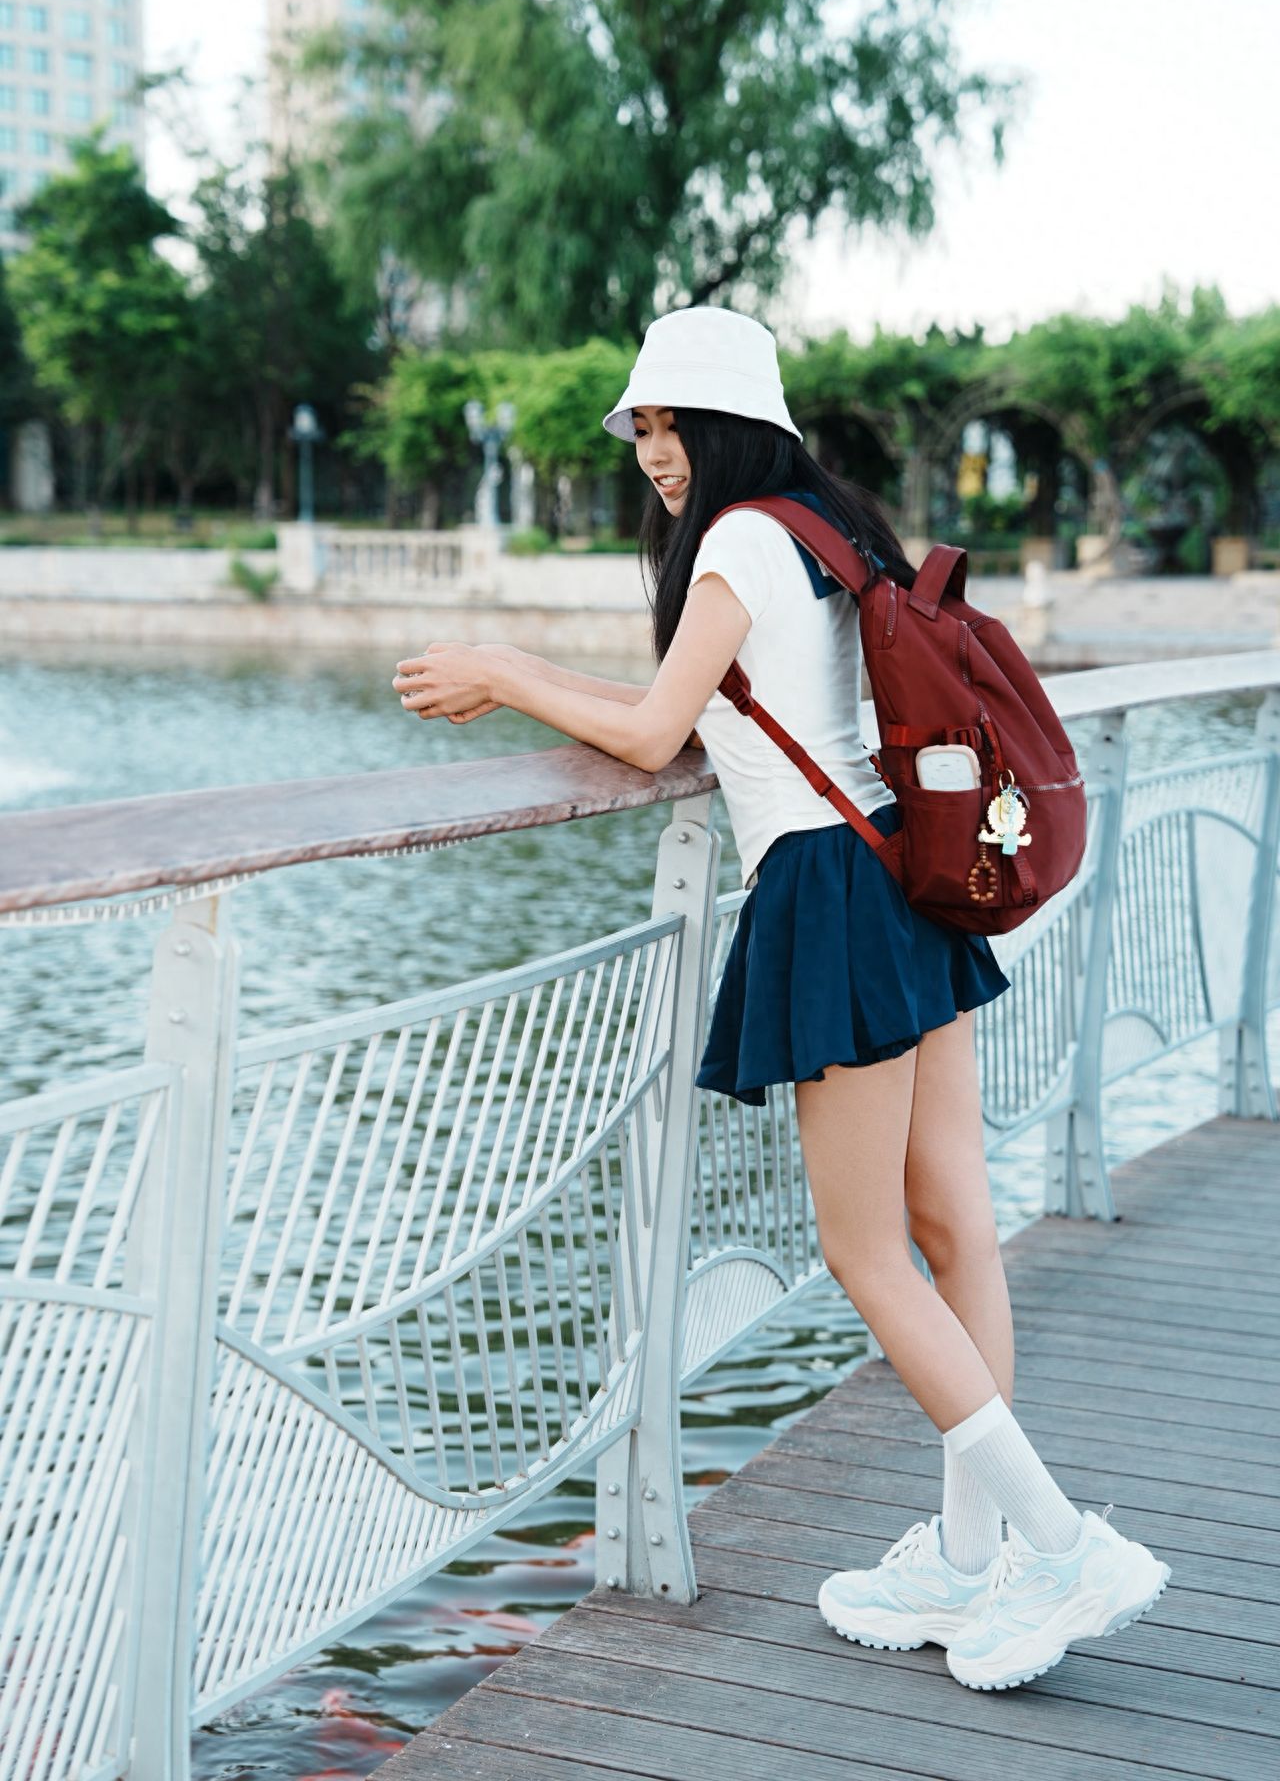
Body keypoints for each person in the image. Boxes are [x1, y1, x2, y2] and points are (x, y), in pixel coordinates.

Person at [390, 305, 1171, 1691]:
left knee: (867, 1249)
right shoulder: (824, 528)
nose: (648, 453)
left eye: (663, 424)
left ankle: (1057, 1546)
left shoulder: (741, 542)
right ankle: (965, 1551)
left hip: (828, 891)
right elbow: (697, 713)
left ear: (715, 422)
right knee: (955, 1225)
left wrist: (500, 671)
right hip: (899, 868)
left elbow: (645, 734)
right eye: (639, 429)